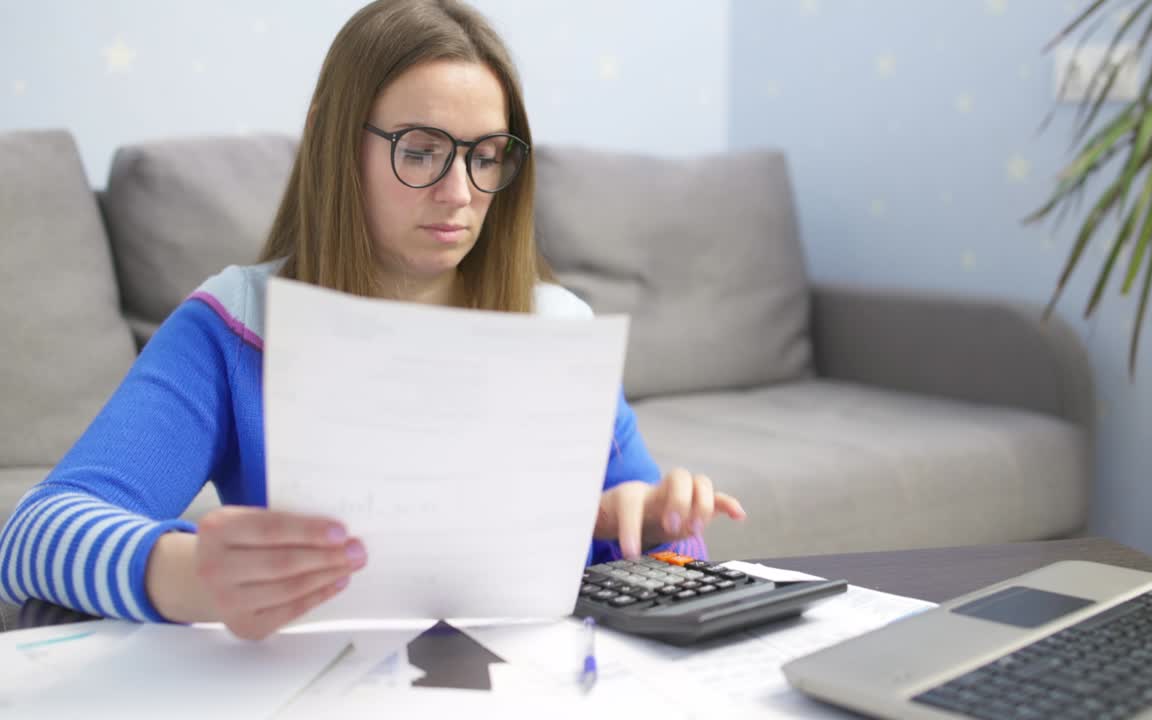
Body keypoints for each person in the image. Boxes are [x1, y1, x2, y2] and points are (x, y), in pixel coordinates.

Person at [0, 0, 745, 641]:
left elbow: (675, 560)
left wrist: (651, 525)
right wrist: (185, 575)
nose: (460, 192)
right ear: (334, 142)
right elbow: (31, 537)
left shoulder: (554, 330)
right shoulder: (236, 327)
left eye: (487, 156)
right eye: (420, 152)